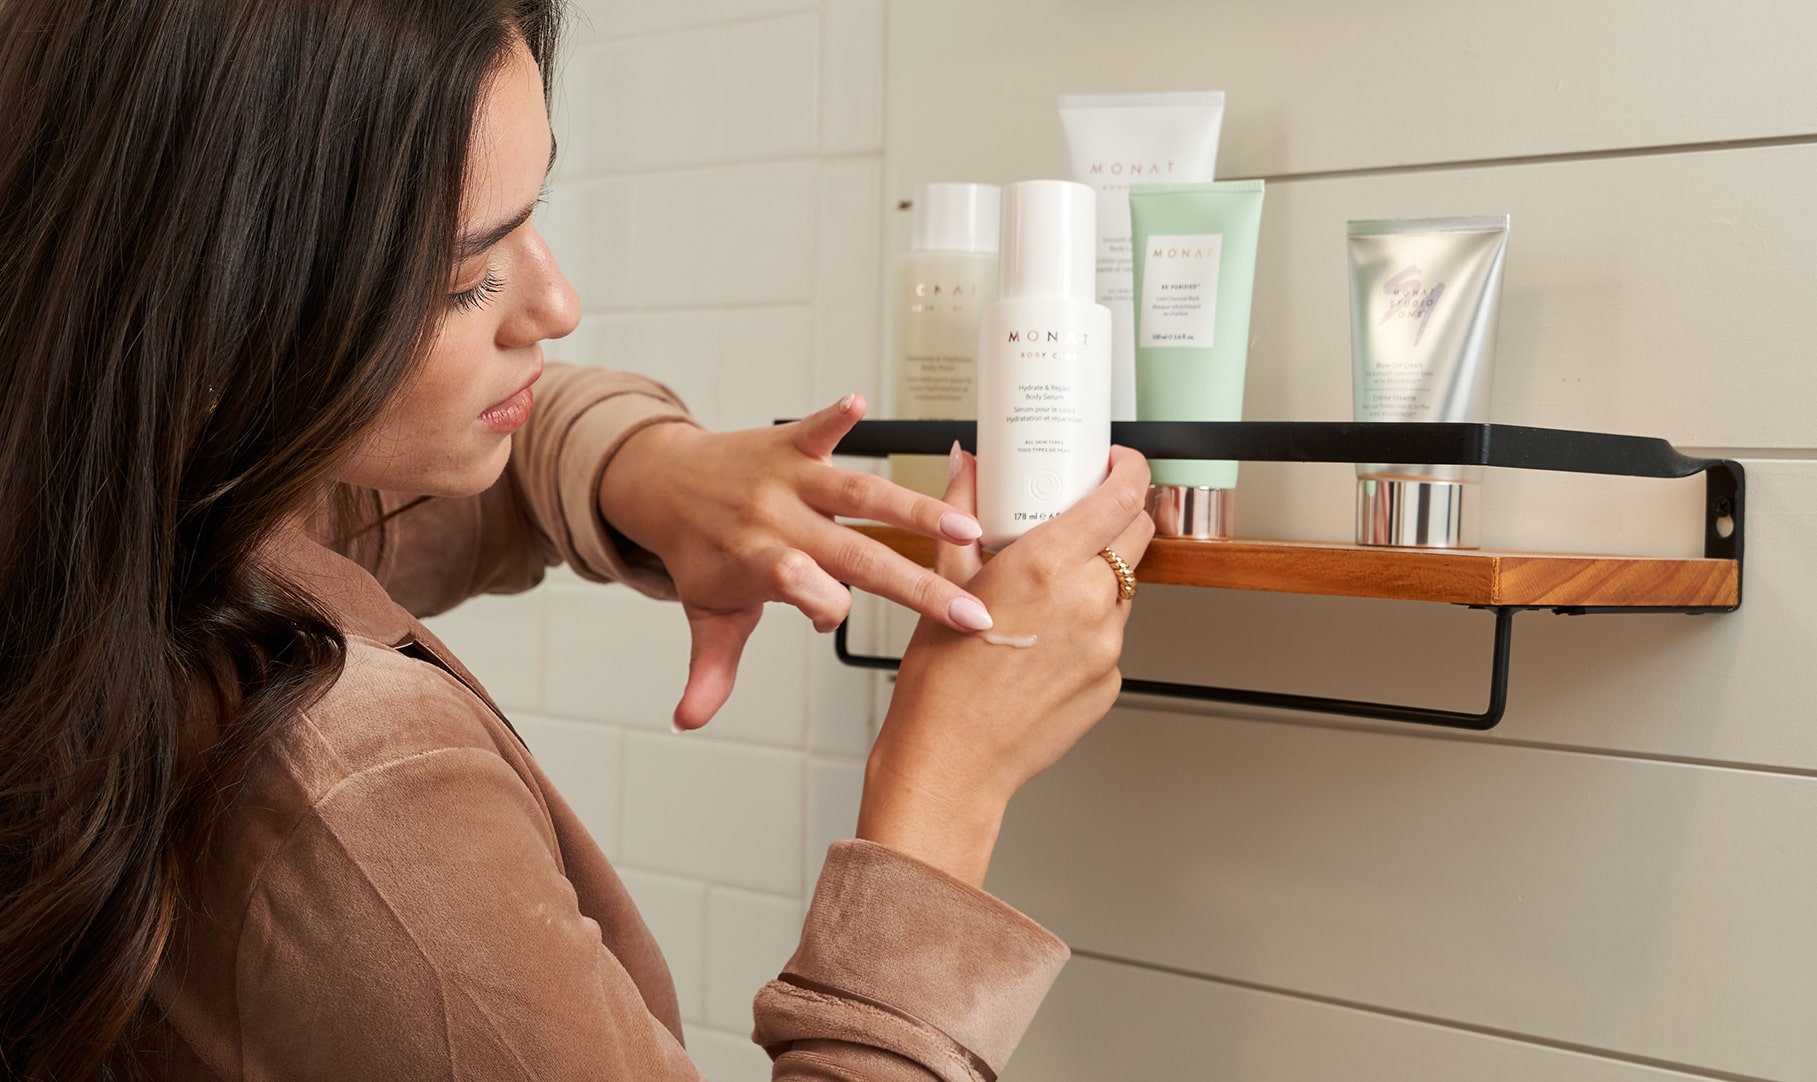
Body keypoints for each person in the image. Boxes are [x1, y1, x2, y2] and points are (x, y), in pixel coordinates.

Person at [0, 1, 1155, 1078]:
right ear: (221, 298)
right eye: (465, 275)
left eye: (536, 210)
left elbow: (374, 477)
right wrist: (943, 792)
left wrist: (639, 468)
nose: (554, 304)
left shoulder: (93, 528)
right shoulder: (359, 799)